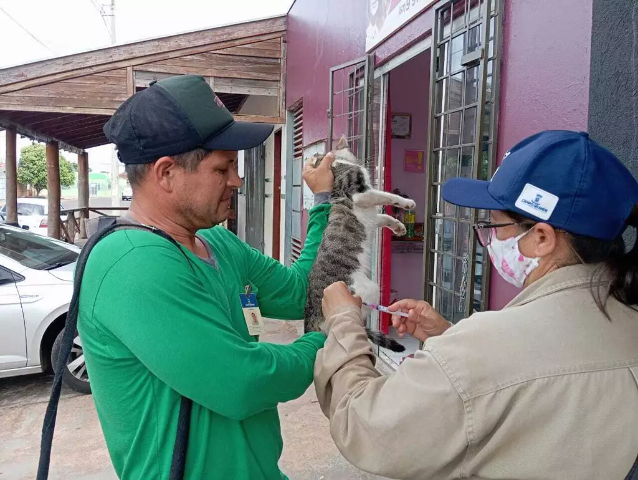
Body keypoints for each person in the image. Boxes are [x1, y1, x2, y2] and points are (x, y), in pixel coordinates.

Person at [315, 130, 638, 479]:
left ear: (542, 238)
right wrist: (447, 335)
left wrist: (344, 322)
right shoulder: (627, 322)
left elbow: (365, 425)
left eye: (494, 227)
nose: (489, 240)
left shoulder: (485, 346)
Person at [77, 75, 335, 479]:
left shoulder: (219, 243)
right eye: (223, 167)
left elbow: (301, 294)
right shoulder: (131, 264)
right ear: (166, 173)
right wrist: (325, 341)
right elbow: (243, 382)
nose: (237, 180)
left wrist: (323, 204)